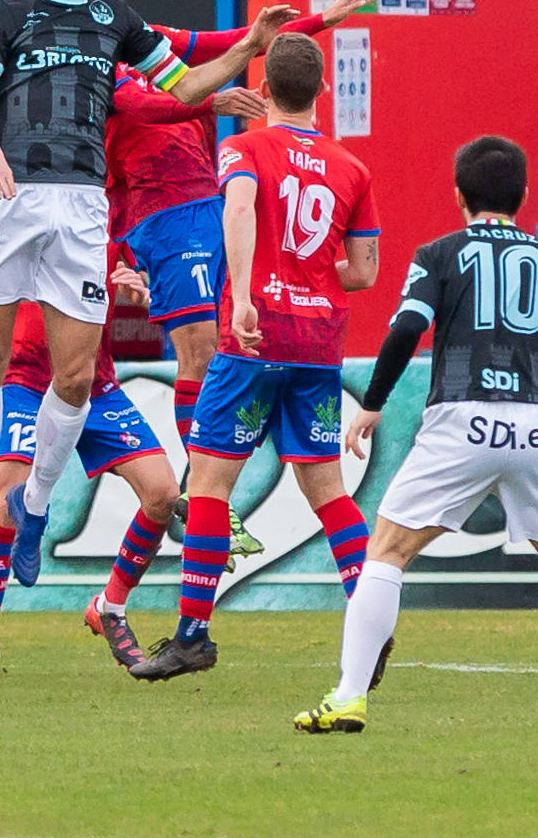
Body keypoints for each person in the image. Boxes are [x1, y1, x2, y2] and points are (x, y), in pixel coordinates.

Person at [0, 0, 296, 592]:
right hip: (10, 198)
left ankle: (36, 511)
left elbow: (184, 84)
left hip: (81, 207)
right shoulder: (8, 15)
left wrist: (251, 47)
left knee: (74, 376)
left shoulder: (117, 18)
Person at [295, 136, 538, 735]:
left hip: (462, 417)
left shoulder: (440, 254)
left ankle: (349, 696)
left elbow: (405, 331)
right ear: (523, 195)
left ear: (457, 195)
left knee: (388, 552)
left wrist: (373, 403)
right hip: (535, 421)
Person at [130, 33, 381, 682]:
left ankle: (192, 635)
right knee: (328, 491)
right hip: (320, 343)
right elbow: (362, 271)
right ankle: (370, 624)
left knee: (210, 482)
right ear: (322, 91)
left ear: (263, 92)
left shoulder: (243, 147)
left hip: (253, 335)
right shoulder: (351, 169)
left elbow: (238, 207)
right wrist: (310, 271)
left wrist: (244, 291)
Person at [92, 0, 374, 453]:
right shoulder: (92, 62)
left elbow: (239, 40)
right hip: (160, 214)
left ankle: (206, 495)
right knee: (200, 352)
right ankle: (201, 490)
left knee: (224, 349)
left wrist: (321, 21)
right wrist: (212, 102)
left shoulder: (149, 39)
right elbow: (148, 109)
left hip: (203, 204)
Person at [0, 257, 180, 678]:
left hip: (94, 383)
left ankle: (110, 606)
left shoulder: (104, 211)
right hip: (25, 380)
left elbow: (149, 276)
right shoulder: (17, 207)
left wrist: (145, 287)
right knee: (7, 505)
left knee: (163, 494)